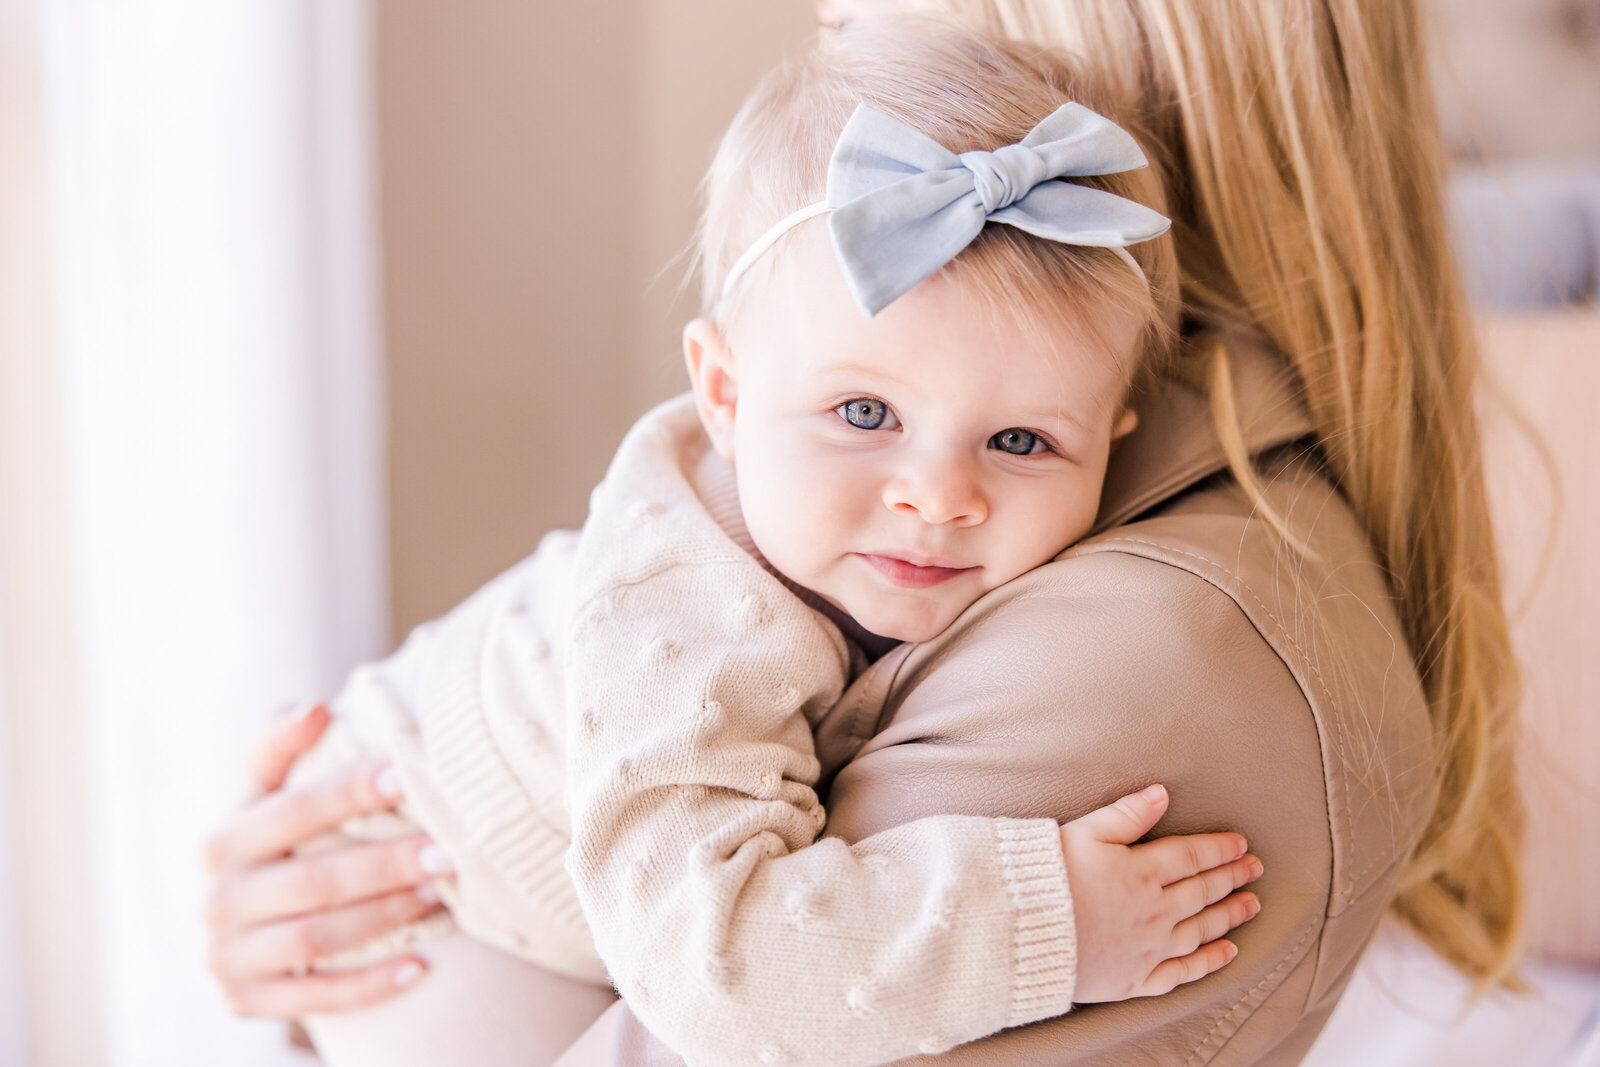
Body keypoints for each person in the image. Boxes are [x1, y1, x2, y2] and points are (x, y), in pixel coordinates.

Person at [203, 0, 1524, 1063]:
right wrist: (1043, 916)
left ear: (1122, 424)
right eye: (861, 411)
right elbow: (727, 969)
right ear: (720, 392)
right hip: (424, 882)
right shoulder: (687, 629)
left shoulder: (1160, 634)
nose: (936, 498)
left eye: (1020, 443)